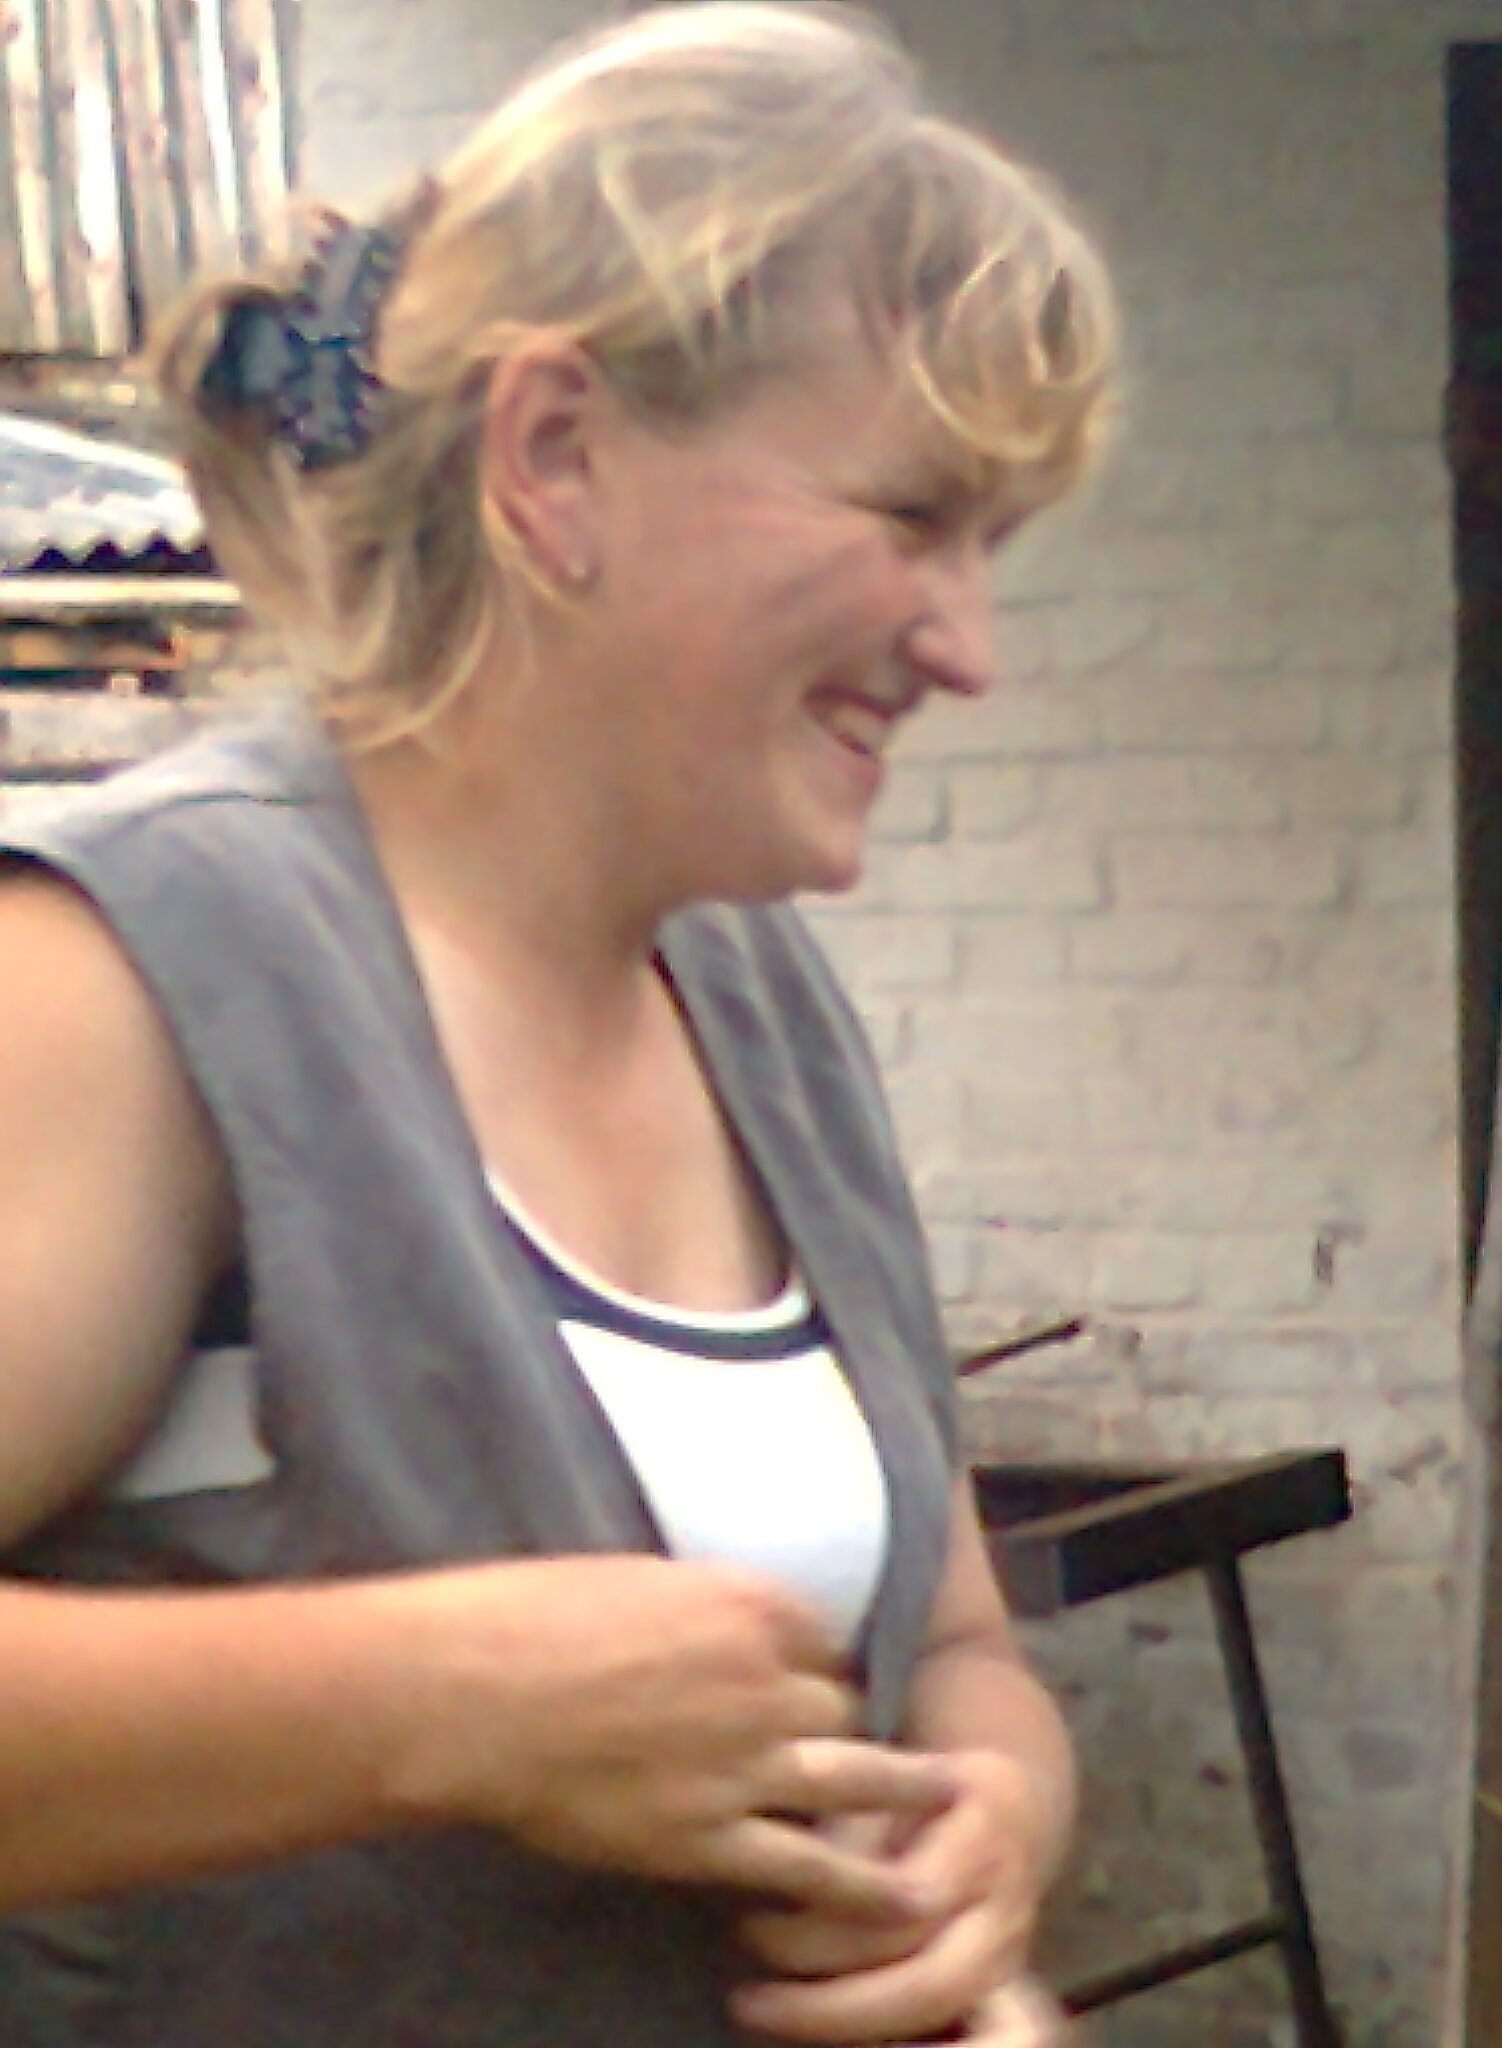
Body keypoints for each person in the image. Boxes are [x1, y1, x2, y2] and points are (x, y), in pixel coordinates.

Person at [0, 5, 1115, 2043]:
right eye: (911, 515)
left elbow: (952, 1639)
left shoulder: (756, 1000)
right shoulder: (137, 976)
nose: (968, 646)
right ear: (555, 457)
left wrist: (992, 1822)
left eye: (993, 547)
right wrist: (438, 1701)